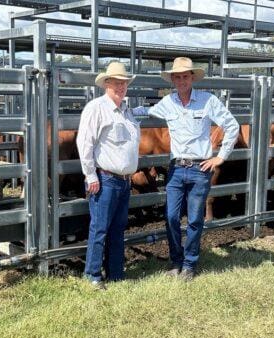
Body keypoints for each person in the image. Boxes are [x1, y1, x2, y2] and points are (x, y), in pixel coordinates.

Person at [134, 57, 240, 281]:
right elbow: (145, 111)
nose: (181, 80)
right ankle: (176, 260)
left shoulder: (207, 100)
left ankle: (189, 264)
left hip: (200, 169)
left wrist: (220, 157)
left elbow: (232, 125)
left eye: (185, 76)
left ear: (192, 77)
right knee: (171, 217)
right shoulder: (168, 103)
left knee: (194, 219)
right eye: (177, 77)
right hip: (176, 168)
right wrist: (121, 110)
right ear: (172, 79)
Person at [76, 61, 140, 290]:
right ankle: (93, 274)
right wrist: (90, 175)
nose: (121, 87)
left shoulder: (126, 111)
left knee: (117, 228)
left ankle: (115, 273)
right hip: (105, 179)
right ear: (106, 84)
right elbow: (85, 143)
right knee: (100, 227)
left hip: (123, 181)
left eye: (123, 83)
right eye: (116, 83)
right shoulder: (96, 108)